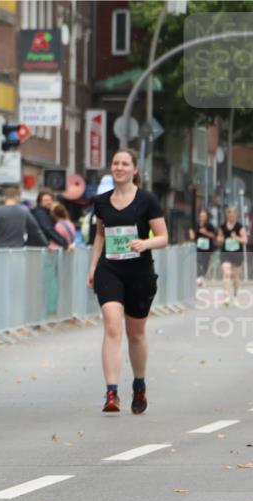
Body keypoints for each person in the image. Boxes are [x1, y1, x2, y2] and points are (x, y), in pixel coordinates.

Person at [87, 148, 168, 414]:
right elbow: (100, 235)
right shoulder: (101, 201)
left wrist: (144, 243)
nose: (119, 167)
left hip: (139, 272)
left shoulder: (147, 200)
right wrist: (93, 267)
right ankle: (111, 393)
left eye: (125, 164)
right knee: (112, 325)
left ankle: (139, 384)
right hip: (109, 269)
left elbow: (163, 237)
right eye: (115, 163)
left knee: (136, 333)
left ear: (135, 169)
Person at [217, 206, 247, 303]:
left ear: (236, 215)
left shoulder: (239, 227)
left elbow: (245, 240)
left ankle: (236, 295)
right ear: (227, 216)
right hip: (225, 253)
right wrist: (220, 240)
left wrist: (236, 238)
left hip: (237, 254)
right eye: (230, 216)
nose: (232, 217)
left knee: (235, 276)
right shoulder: (223, 227)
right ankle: (226, 297)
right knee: (226, 273)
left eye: (233, 215)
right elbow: (219, 239)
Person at [190, 208, 215, 286]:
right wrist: (191, 233)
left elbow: (213, 235)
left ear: (206, 217)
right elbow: (192, 235)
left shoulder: (210, 225)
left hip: (207, 248)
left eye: (204, 216)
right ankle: (199, 277)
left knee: (205, 263)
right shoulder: (196, 225)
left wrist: (206, 232)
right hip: (198, 247)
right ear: (199, 217)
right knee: (197, 261)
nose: (203, 217)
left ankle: (202, 277)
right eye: (201, 216)